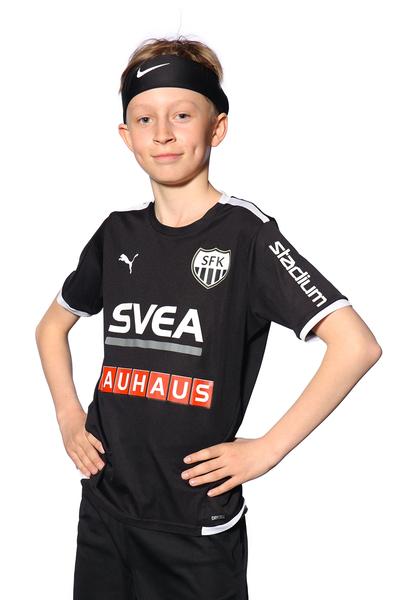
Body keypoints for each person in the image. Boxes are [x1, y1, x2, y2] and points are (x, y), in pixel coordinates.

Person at [35, 36, 382, 600]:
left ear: (217, 128)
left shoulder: (246, 235)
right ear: (126, 136)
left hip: (195, 527)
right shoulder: (116, 234)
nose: (162, 133)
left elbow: (357, 345)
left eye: (182, 114)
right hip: (105, 510)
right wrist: (70, 415)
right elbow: (51, 326)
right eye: (144, 118)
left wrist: (267, 449)